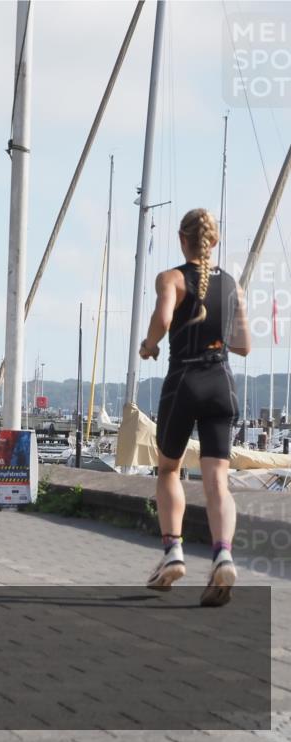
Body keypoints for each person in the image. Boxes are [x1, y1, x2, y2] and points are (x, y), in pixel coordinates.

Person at [140, 208, 250, 607]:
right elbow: (244, 345)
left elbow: (162, 317)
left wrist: (149, 345)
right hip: (221, 383)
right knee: (217, 480)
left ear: (182, 240)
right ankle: (223, 554)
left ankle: (173, 551)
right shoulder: (232, 285)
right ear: (214, 242)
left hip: (184, 381)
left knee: (169, 468)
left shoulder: (171, 278)